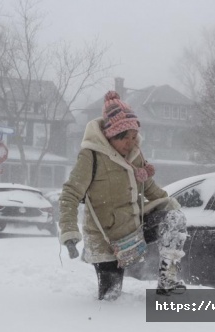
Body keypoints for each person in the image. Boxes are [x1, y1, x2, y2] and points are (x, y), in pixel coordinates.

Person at [58, 91, 188, 301]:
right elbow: (70, 194)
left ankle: (168, 281)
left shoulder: (135, 155)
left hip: (135, 227)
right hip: (106, 238)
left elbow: (151, 189)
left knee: (174, 218)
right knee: (111, 297)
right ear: (111, 136)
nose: (131, 142)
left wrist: (175, 208)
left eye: (133, 136)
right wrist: (69, 232)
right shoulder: (91, 156)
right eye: (125, 138)